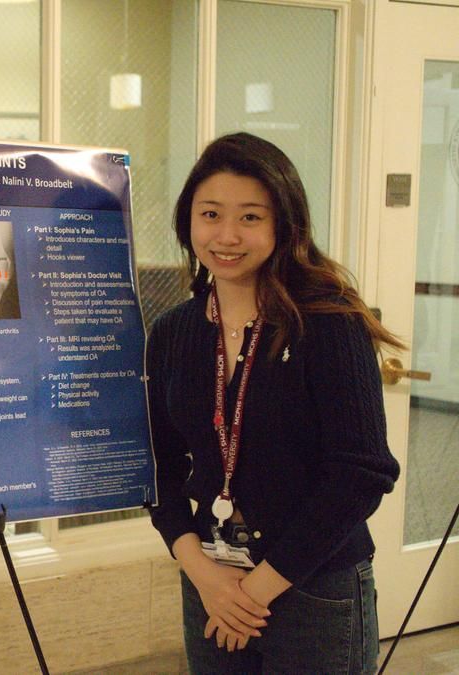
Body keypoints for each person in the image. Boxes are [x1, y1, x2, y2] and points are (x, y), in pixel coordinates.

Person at [146, 132, 401, 674]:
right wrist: (203, 572)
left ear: (284, 225)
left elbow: (361, 472)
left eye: (251, 217)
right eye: (210, 214)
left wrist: (257, 589)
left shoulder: (327, 324)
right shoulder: (174, 332)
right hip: (210, 583)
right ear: (187, 222)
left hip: (313, 586)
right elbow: (156, 467)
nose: (227, 235)